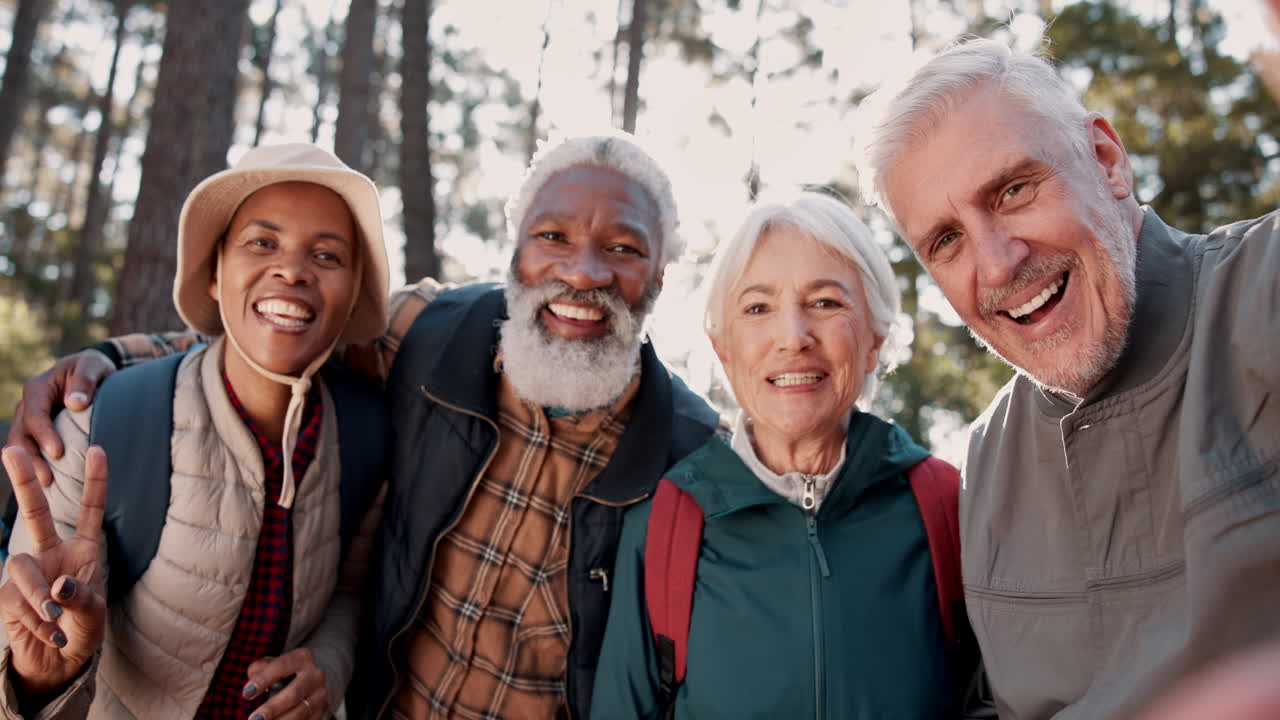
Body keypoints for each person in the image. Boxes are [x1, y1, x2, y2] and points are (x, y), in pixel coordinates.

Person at [6, 131, 722, 719]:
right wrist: (102, 365)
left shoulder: (692, 455)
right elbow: (276, 332)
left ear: (659, 276)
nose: (584, 271)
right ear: (515, 258)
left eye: (624, 249)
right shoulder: (431, 336)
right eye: (553, 235)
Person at [858, 37, 1280, 719]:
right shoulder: (984, 466)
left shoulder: (1266, 290)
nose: (995, 265)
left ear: (1108, 161)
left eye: (1014, 190)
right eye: (946, 240)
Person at [0, 143, 390, 719]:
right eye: (262, 242)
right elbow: (20, 652)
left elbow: (350, 594)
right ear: (214, 273)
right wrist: (36, 677)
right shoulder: (98, 420)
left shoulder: (364, 431)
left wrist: (329, 662)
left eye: (328, 255)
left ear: (354, 290)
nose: (293, 269)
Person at [589, 191, 981, 719]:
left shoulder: (945, 509)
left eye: (825, 302)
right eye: (757, 308)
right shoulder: (666, 525)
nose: (792, 337)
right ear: (724, 348)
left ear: (874, 338)